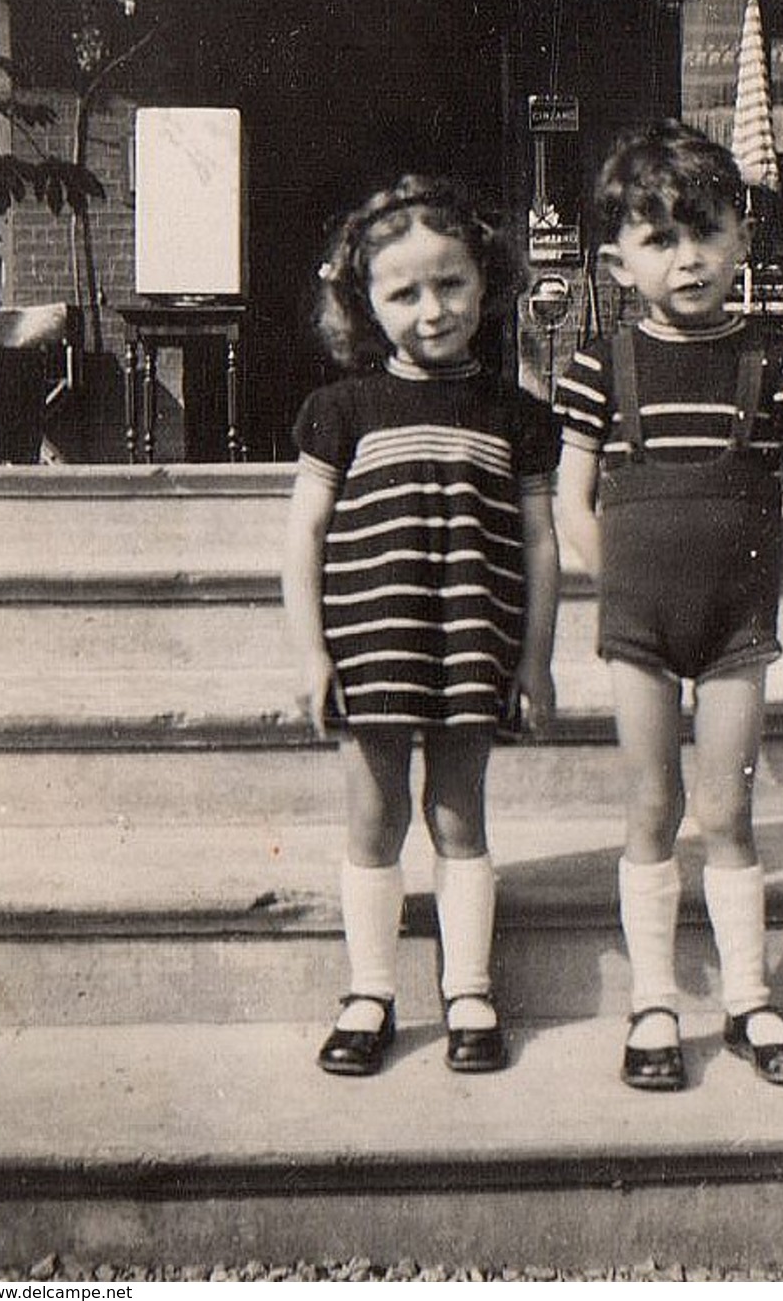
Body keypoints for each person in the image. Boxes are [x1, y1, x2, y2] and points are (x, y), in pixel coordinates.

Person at [555, 121, 783, 1092]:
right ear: (617, 260)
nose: (689, 258)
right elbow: (569, 500)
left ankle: (751, 999)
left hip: (733, 629)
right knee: (649, 804)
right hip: (637, 625)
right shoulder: (599, 367)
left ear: (742, 237)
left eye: (707, 231)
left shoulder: (781, 366)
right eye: (661, 238)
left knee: (726, 808)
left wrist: (760, 591)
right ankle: (655, 1003)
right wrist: (618, 585)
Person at [283, 174, 560, 1077]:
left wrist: (536, 661)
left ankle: (469, 989)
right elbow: (305, 537)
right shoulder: (344, 410)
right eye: (403, 292)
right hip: (373, 643)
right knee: (374, 815)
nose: (431, 309)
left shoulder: (515, 416)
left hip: (474, 641)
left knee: (457, 811)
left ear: (487, 284)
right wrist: (312, 652)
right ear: (364, 303)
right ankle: (369, 991)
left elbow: (541, 543)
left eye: (450, 284)